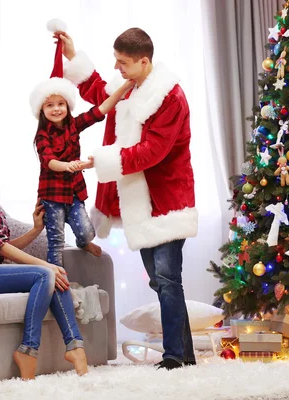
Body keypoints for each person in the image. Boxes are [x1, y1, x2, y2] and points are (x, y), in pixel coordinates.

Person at [58, 28, 198, 370]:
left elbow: (152, 152)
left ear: (143, 61)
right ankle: (186, 354)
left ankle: (174, 357)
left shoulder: (170, 98)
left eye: (122, 63)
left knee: (166, 279)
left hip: (166, 201)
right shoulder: (131, 88)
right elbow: (97, 90)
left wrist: (102, 160)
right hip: (142, 202)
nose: (117, 68)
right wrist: (73, 54)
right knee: (160, 279)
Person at [0, 143, 87, 380]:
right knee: (46, 273)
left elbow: (3, 245)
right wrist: (46, 265)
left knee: (55, 276)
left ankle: (76, 349)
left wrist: (35, 229)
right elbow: (3, 248)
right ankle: (28, 350)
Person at [29, 25, 134, 267]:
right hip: (52, 196)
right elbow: (50, 162)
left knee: (87, 232)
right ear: (42, 111)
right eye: (49, 105)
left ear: (68, 106)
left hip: (74, 192)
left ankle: (83, 241)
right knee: (55, 240)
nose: (56, 109)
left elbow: (102, 109)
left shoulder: (74, 125)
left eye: (60, 104)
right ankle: (56, 277)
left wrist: (125, 87)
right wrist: (69, 165)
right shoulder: (42, 135)